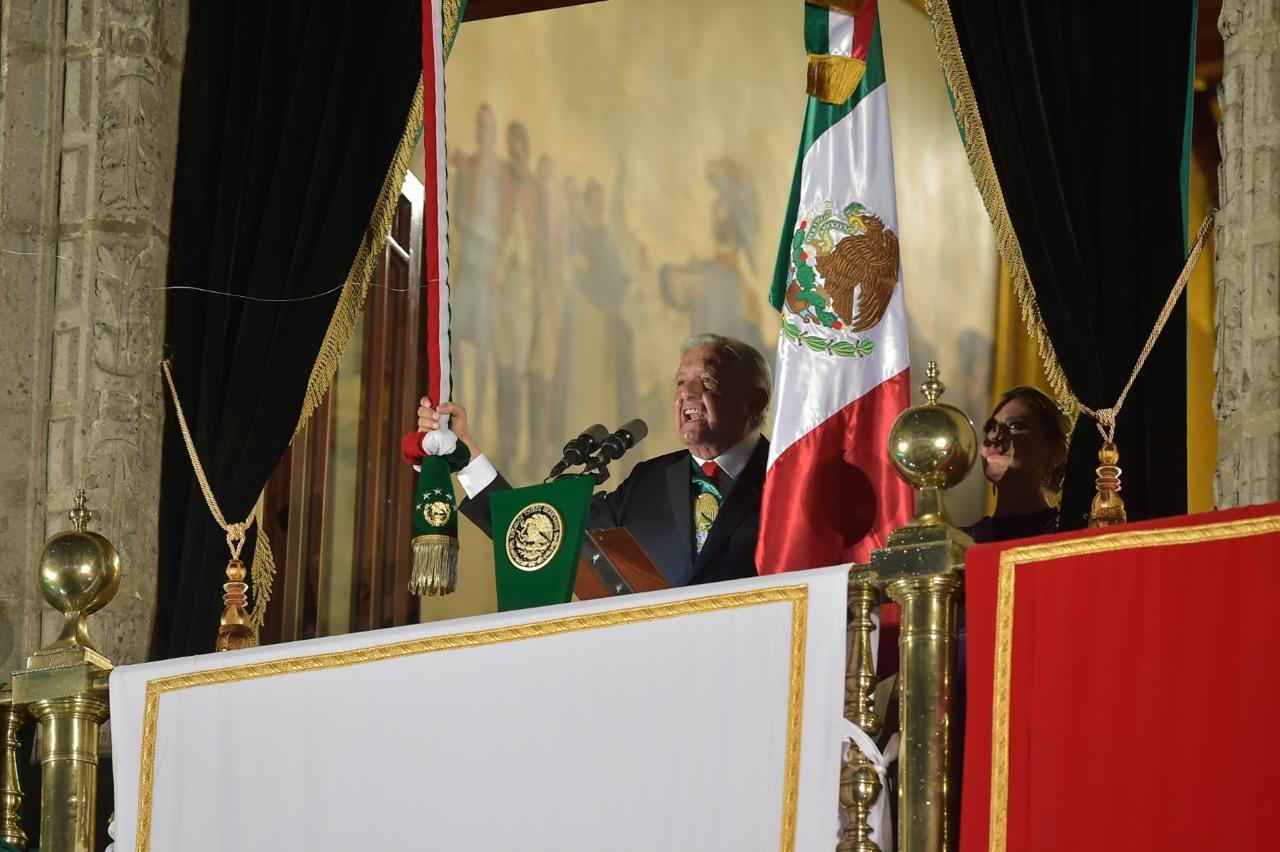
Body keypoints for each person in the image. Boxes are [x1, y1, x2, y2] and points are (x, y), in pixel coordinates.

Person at [416, 333, 772, 586]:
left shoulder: (788, 476)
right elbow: (541, 535)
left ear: (754, 401)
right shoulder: (648, 480)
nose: (687, 394)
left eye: (707, 381)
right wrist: (464, 455)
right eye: (680, 382)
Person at [963, 385, 1070, 543]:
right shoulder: (962, 543)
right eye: (991, 427)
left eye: (1015, 426)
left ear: (1056, 453)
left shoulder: (1069, 537)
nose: (995, 436)